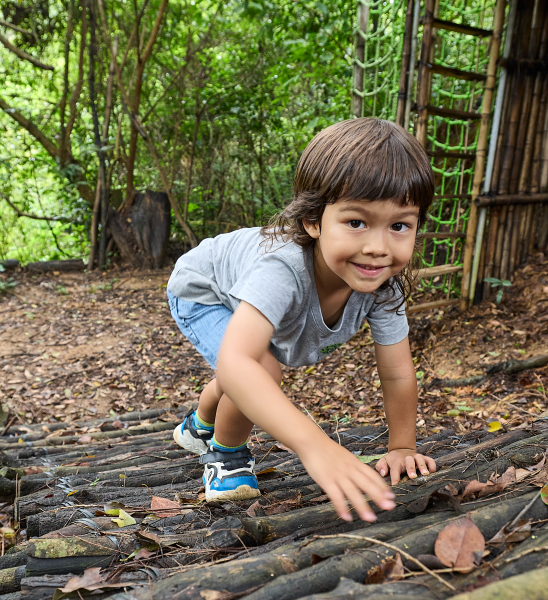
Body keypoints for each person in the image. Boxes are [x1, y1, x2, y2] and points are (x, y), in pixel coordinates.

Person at [166, 118, 438, 523]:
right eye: (356, 222)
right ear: (313, 221)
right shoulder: (283, 271)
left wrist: (402, 445)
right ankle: (225, 455)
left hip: (242, 300)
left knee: (253, 366)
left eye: (399, 225)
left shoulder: (384, 288)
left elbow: (398, 373)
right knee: (260, 366)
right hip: (203, 291)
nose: (378, 247)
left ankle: (199, 422)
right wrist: (315, 445)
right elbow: (237, 361)